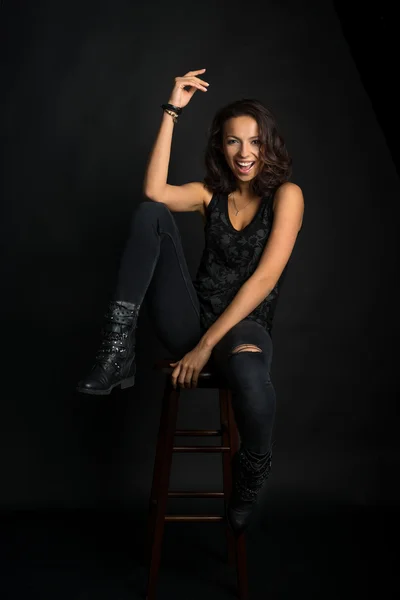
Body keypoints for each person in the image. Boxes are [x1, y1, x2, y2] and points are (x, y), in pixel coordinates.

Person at [76, 68, 304, 537]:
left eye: (254, 141)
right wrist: (172, 109)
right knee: (150, 213)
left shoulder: (287, 196)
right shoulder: (210, 195)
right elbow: (154, 191)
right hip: (190, 318)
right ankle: (116, 350)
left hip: (244, 327)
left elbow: (264, 278)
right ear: (220, 146)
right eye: (233, 141)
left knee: (250, 376)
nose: (244, 153)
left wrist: (205, 349)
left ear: (269, 145)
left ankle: (251, 473)